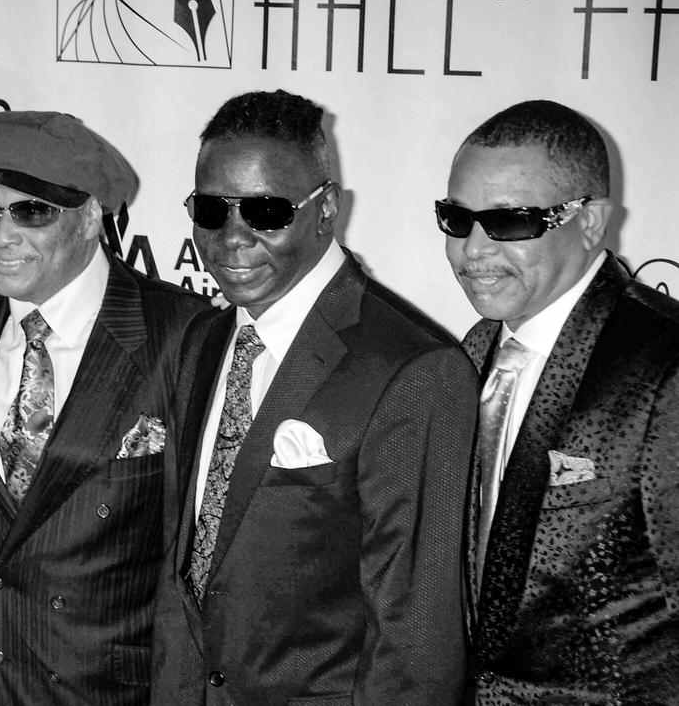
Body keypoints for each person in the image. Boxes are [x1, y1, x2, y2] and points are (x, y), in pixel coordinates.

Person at [151, 90, 476, 705]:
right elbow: (186, 581)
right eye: (212, 210)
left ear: (325, 209)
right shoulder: (203, 340)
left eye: (266, 212)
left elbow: (415, 640)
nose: (232, 238)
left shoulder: (412, 370)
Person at [0, 110, 205, 705]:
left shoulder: (179, 334)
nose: (2, 236)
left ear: (89, 218)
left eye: (32, 211)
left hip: (108, 692)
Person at [441, 99, 679, 703]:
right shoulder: (474, 350)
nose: (473, 249)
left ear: (590, 222)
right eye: (457, 219)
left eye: (509, 221)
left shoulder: (664, 364)